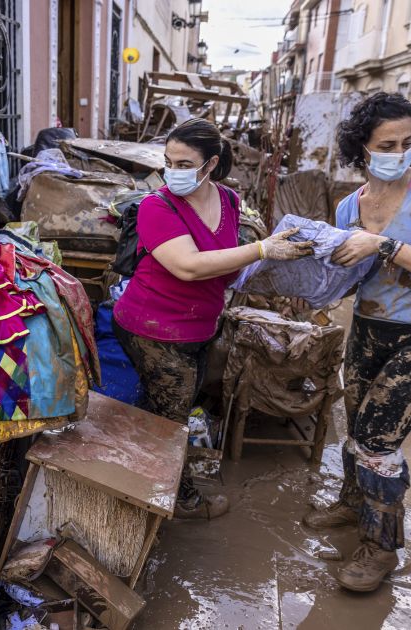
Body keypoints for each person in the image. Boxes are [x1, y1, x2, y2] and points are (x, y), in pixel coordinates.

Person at [302, 93, 411, 593]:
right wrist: (309, 268)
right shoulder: (348, 205)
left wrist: (386, 244)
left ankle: (380, 548)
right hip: (373, 329)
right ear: (362, 151)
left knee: (379, 440)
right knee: (356, 424)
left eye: (407, 142)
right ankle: (352, 503)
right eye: (386, 144)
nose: (399, 152)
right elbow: (350, 276)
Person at [112, 118, 313, 519]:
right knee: (172, 418)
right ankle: (182, 500)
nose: (173, 171)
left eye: (184, 163)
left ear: (211, 164)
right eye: (169, 161)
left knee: (179, 406)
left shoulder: (228, 201)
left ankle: (154, 481)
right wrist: (261, 251)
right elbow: (187, 266)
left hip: (199, 326)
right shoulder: (157, 205)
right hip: (153, 327)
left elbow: (224, 267)